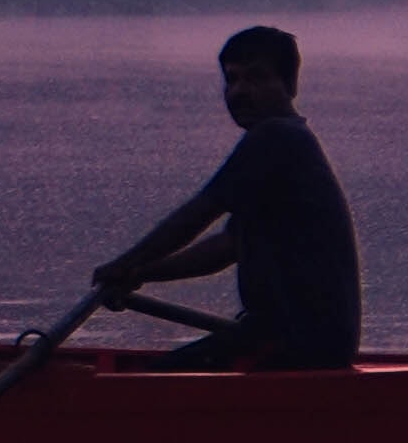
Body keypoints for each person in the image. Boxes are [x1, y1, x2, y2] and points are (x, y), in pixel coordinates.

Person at [95, 23, 361, 369]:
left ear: (290, 85)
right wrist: (141, 273)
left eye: (255, 78)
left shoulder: (276, 137)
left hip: (299, 344)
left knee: (142, 383)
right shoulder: (284, 144)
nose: (239, 92)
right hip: (297, 338)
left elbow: (199, 213)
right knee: (154, 373)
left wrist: (123, 265)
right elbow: (227, 246)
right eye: (232, 79)